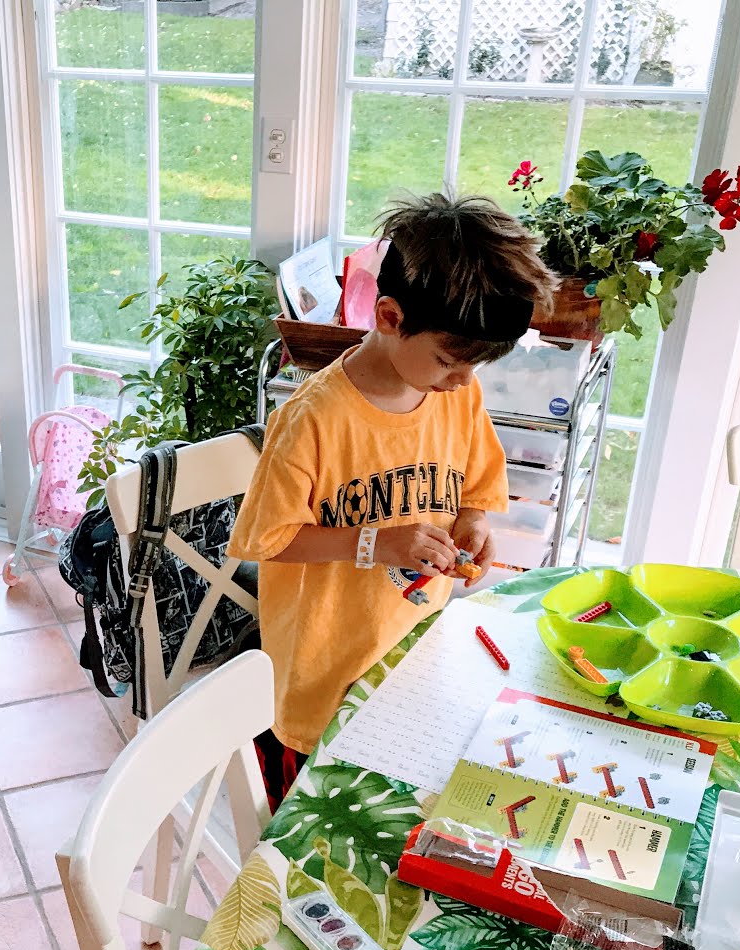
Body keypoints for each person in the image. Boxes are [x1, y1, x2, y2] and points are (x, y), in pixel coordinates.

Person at [230, 193, 557, 810]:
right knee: (319, 826)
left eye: (476, 366)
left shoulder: (455, 395)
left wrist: (473, 522)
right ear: (388, 315)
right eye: (449, 360)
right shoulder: (314, 419)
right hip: (321, 678)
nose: (464, 381)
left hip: (412, 654)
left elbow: (474, 488)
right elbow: (267, 539)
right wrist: (374, 543)